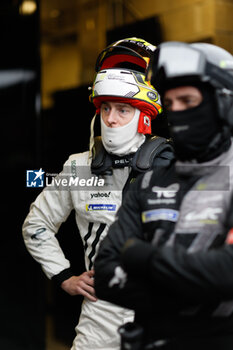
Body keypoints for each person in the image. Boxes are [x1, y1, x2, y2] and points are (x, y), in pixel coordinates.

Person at [22, 37, 174, 350]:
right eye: (105, 108)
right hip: (101, 315)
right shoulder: (79, 167)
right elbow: (36, 225)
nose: (111, 119)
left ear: (146, 115)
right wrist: (64, 275)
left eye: (122, 109)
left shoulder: (178, 165)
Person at [94, 41, 233, 350]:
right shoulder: (148, 181)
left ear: (223, 102)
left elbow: (229, 271)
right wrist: (195, 285)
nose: (177, 111)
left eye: (188, 100)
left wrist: (144, 258)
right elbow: (105, 273)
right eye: (170, 104)